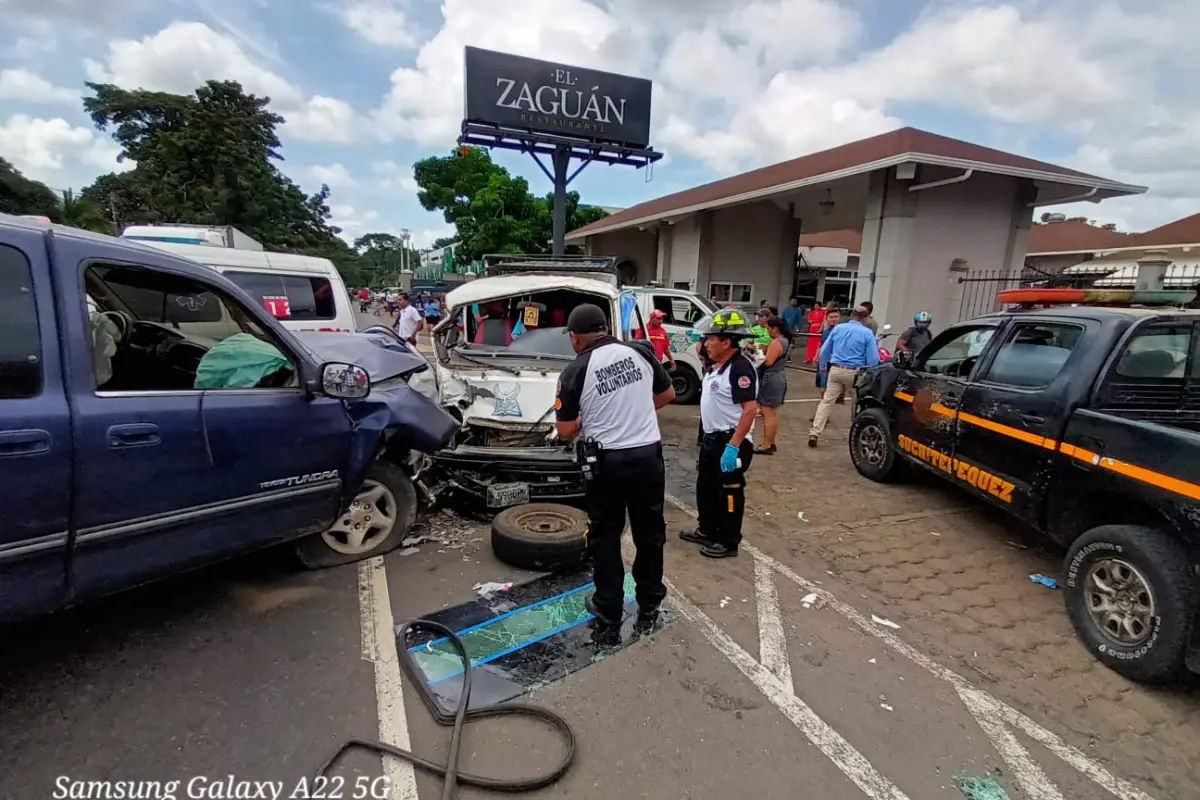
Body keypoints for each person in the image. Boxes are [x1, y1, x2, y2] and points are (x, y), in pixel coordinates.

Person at [554, 304, 676, 627]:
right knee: (650, 533)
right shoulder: (640, 352)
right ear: (605, 329)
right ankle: (649, 603)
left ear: (577, 338)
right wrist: (634, 412)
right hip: (648, 457)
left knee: (605, 535)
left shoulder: (575, 370)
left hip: (606, 464)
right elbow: (667, 395)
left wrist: (586, 418)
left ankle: (608, 606)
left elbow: (565, 431)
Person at [679, 309, 759, 559]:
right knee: (707, 487)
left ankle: (728, 540)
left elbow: (750, 410)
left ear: (726, 342)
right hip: (712, 439)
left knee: (730, 492)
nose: (705, 343)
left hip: (731, 441)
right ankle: (707, 530)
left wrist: (733, 446)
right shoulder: (717, 366)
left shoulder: (740, 368)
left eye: (711, 339)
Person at [809, 306, 879, 447]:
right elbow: (873, 359)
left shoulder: (838, 329)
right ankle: (857, 433)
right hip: (855, 372)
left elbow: (824, 351)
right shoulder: (867, 333)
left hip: (835, 369)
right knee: (857, 402)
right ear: (865, 318)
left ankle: (815, 432)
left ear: (852, 315)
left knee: (827, 401)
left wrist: (823, 367)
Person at [754, 316, 790, 455]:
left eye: (769, 328)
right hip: (780, 376)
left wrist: (756, 357)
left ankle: (766, 444)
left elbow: (768, 362)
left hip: (771, 377)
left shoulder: (776, 342)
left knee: (767, 413)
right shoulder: (786, 341)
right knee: (772, 413)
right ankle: (771, 442)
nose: (767, 331)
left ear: (775, 329)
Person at [814, 308, 841, 391]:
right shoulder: (826, 331)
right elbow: (821, 344)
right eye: (831, 317)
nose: (833, 319)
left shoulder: (842, 331)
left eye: (836, 317)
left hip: (837, 362)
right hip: (824, 362)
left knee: (834, 387)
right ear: (826, 319)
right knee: (823, 386)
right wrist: (816, 356)